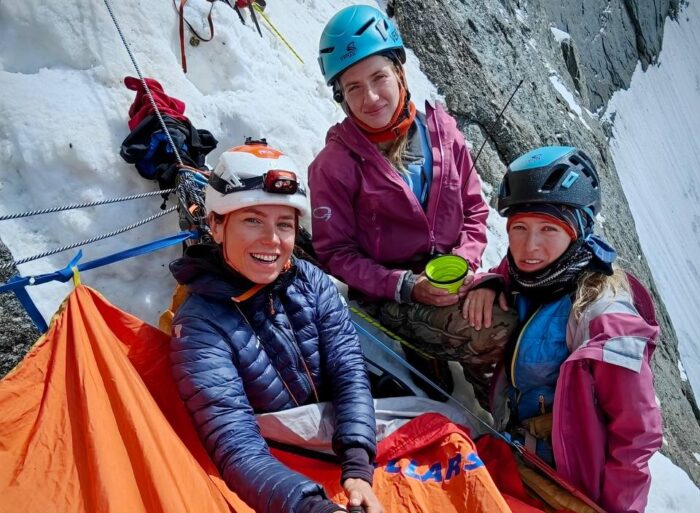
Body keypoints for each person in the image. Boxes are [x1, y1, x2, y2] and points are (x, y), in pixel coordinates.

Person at [309, 4, 517, 403]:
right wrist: (405, 286)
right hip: (388, 296)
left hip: (452, 276)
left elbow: (475, 210)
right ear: (341, 97)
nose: (370, 97)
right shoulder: (334, 166)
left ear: (400, 72)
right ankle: (491, 403)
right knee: (499, 329)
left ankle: (490, 392)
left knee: (527, 313)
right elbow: (335, 254)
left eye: (378, 77)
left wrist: (466, 262)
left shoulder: (442, 132)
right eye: (353, 87)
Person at [169, 140, 382, 513]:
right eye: (252, 220)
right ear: (216, 226)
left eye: (284, 224)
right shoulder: (200, 327)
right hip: (281, 473)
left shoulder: (311, 281)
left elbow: (348, 372)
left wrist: (358, 467)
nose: (271, 240)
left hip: (335, 446)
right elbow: (236, 447)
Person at [465, 146, 663, 513]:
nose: (530, 247)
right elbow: (509, 272)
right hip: (515, 457)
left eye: (549, 229)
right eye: (519, 228)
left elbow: (637, 434)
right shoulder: (532, 276)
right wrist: (489, 282)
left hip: (565, 486)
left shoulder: (606, 317)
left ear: (578, 232)